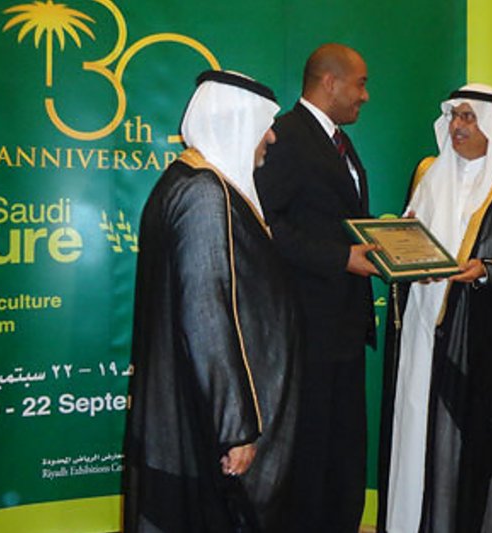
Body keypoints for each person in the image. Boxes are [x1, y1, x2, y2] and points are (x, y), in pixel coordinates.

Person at [123, 70, 301, 533]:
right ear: (236, 123)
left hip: (194, 401)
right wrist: (235, 426)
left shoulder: (193, 183)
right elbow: (206, 313)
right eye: (266, 124)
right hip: (203, 417)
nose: (272, 136)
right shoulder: (204, 194)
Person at [377, 83, 492, 533]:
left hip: (476, 340)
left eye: (469, 118)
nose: (457, 126)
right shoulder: (428, 174)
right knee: (416, 430)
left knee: (461, 441)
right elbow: (411, 237)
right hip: (420, 328)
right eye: (454, 116)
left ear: (491, 124)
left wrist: (486, 269)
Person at [254, 43, 377, 532]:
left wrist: (383, 236)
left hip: (343, 331)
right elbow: (266, 225)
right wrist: (340, 257)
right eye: (360, 83)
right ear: (330, 82)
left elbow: (332, 218)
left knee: (342, 457)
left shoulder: (337, 141)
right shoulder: (286, 137)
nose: (365, 96)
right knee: (308, 463)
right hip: (306, 332)